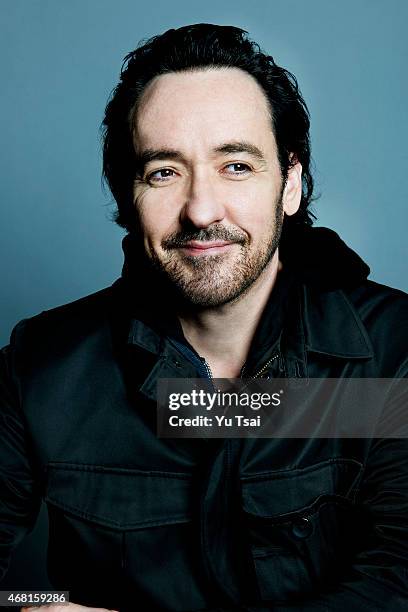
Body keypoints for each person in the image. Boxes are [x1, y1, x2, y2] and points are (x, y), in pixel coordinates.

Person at [1, 22, 408, 612]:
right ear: (127, 196)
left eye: (236, 165)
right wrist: (31, 600)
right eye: (164, 171)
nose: (201, 209)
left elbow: (396, 584)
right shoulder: (40, 368)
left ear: (290, 184)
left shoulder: (391, 357)